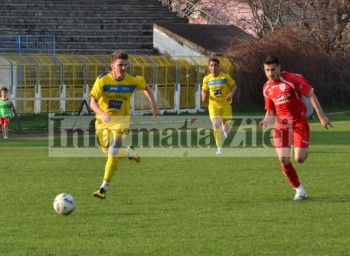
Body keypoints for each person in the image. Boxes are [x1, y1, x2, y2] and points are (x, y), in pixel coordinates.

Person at [259, 55, 332, 200]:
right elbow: (270, 110)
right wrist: (266, 121)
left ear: (279, 67)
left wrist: (322, 117)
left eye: (273, 69)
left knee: (299, 158)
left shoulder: (292, 79)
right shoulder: (267, 88)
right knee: (283, 159)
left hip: (298, 123)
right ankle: (299, 190)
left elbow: (311, 95)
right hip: (281, 126)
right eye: (267, 70)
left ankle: (303, 152)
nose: (270, 73)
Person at [90, 50, 160, 199]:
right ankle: (129, 152)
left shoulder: (131, 80)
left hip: (121, 120)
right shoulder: (103, 80)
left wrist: (154, 106)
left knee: (113, 150)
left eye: (126, 65)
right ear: (112, 66)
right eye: (120, 65)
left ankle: (103, 188)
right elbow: (92, 102)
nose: (123, 68)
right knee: (108, 153)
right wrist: (102, 113)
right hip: (103, 121)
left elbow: (146, 88)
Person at [201, 58, 238, 155]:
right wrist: (203, 95)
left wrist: (231, 95)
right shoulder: (206, 79)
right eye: (211, 65)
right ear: (209, 67)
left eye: (215, 65)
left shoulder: (225, 77)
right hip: (213, 106)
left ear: (219, 66)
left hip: (226, 105)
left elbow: (234, 86)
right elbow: (204, 90)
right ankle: (219, 148)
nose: (213, 67)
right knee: (215, 124)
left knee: (226, 127)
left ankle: (226, 130)